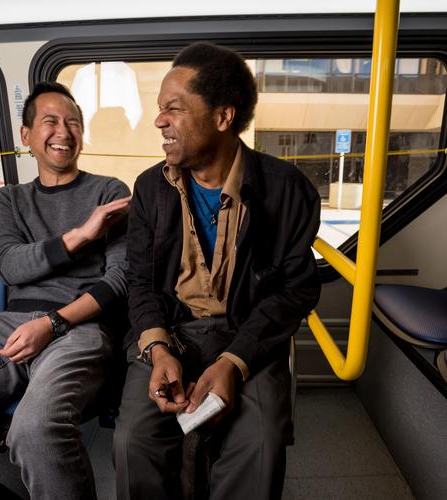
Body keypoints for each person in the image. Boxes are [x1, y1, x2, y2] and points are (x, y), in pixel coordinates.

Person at [113, 42, 321, 500]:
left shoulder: (287, 191)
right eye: (159, 109)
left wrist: (234, 361)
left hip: (248, 333)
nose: (159, 121)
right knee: (133, 442)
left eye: (174, 109)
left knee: (261, 442)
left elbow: (294, 291)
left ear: (224, 117)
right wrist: (158, 350)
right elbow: (141, 284)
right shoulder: (150, 189)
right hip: (172, 331)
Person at [0, 81, 130, 499]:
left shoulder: (109, 192)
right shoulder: (8, 200)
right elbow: (11, 266)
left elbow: (119, 282)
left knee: (34, 429)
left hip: (79, 327)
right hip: (5, 327)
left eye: (73, 122)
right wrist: (81, 236)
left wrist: (52, 323)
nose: (63, 132)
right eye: (51, 121)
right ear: (26, 135)